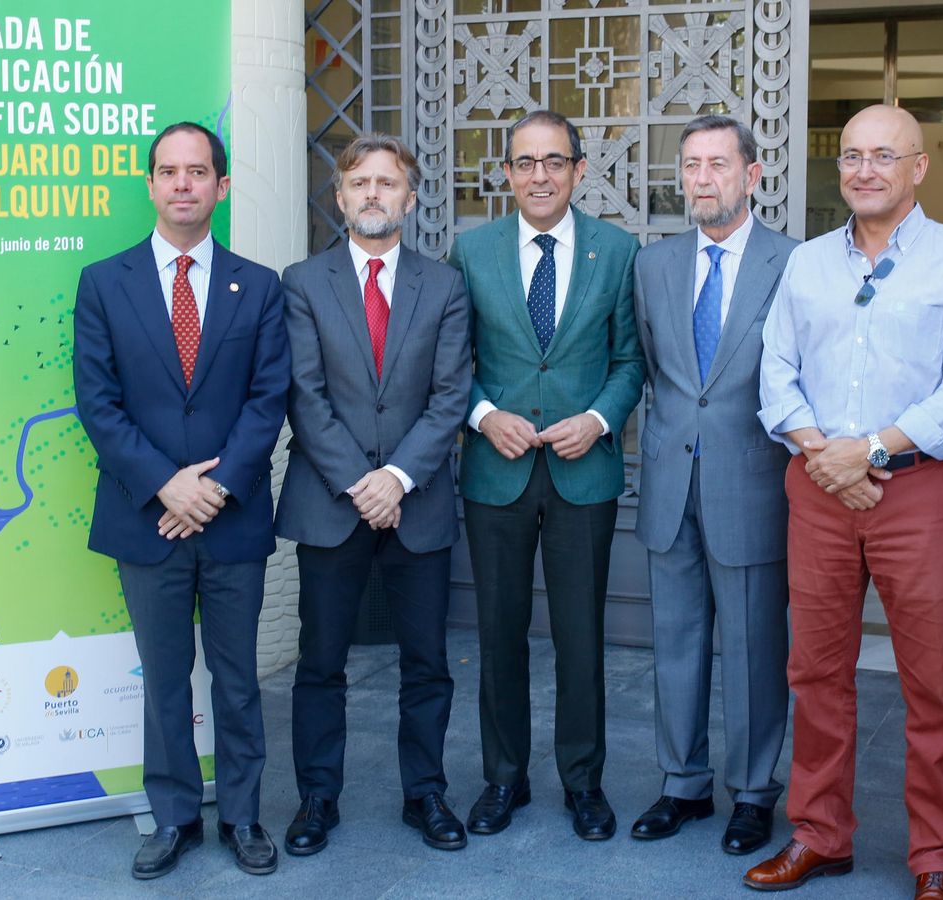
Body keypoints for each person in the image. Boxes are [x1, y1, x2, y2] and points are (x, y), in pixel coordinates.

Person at [744, 104, 943, 900]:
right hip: (818, 483)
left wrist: (874, 451)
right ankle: (820, 835)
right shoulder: (808, 264)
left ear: (917, 167)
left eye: (882, 156)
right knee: (815, 671)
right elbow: (775, 370)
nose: (863, 170)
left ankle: (935, 855)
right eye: (852, 155)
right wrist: (828, 457)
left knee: (931, 681)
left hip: (918, 489)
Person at [72, 122, 290, 880]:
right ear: (151, 184)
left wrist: (216, 486)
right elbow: (98, 404)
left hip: (232, 519)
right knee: (163, 677)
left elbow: (268, 401)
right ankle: (170, 817)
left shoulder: (259, 285)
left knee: (236, 677)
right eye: (169, 172)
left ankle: (241, 815)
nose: (184, 185)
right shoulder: (105, 282)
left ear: (221, 187)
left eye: (199, 172)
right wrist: (168, 484)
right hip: (147, 519)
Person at [446, 109, 645, 842]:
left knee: (579, 635)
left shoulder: (616, 251)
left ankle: (583, 783)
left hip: (581, 472)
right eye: (525, 162)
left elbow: (631, 362)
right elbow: (448, 364)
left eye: (554, 161)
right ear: (505, 172)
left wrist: (597, 421)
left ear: (579, 170)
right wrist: (482, 414)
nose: (539, 175)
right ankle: (504, 779)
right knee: (497, 633)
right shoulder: (472, 252)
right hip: (495, 473)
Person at [275, 134, 472, 856]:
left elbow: (450, 397)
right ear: (339, 196)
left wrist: (398, 479)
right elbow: (304, 393)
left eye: (388, 183)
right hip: (331, 502)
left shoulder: (444, 285)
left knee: (427, 664)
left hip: (416, 504)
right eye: (359, 183)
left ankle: (425, 794)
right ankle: (317, 799)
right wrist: (362, 482)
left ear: (410, 198)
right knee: (321, 663)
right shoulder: (302, 282)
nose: (372, 194)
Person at [627, 115, 798, 856]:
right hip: (669, 482)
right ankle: (684, 785)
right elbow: (650, 370)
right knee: (675, 640)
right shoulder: (653, 266)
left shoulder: (795, 263)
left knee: (755, 649)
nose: (702, 178)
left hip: (753, 483)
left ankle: (755, 793)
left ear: (753, 175)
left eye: (718, 164)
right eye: (691, 165)